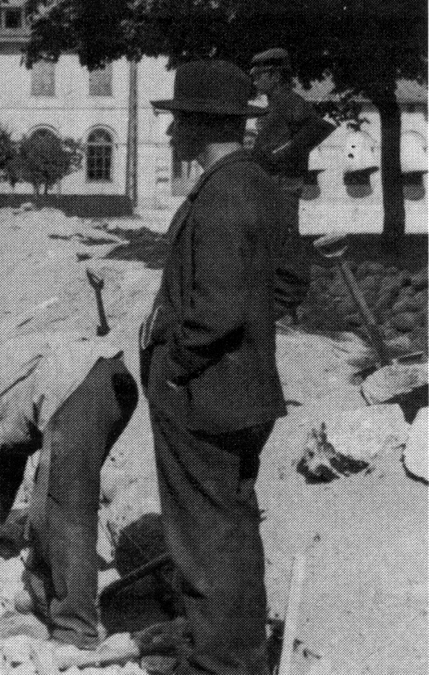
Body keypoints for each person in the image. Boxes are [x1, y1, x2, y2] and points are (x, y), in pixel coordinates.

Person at [144, 60, 307, 675]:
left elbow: (214, 309)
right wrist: (257, 333)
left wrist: (176, 363)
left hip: (203, 393)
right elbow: (291, 281)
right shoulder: (263, 183)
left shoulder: (218, 193)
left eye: (176, 123)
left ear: (195, 126)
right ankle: (243, 657)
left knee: (203, 538)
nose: (169, 135)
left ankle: (219, 666)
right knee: (233, 528)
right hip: (248, 390)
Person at [0, 332, 138, 657]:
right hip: (113, 377)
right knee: (48, 499)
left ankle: (75, 631)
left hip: (75, 385)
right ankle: (43, 596)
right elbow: (5, 473)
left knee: (64, 509)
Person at [249, 47, 331, 320]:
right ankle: (276, 304)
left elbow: (317, 128)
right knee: (270, 240)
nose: (255, 81)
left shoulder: (289, 100)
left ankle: (287, 306)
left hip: (283, 182)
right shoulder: (274, 103)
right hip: (271, 181)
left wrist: (281, 154)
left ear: (274, 76)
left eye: (259, 75)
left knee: (284, 240)